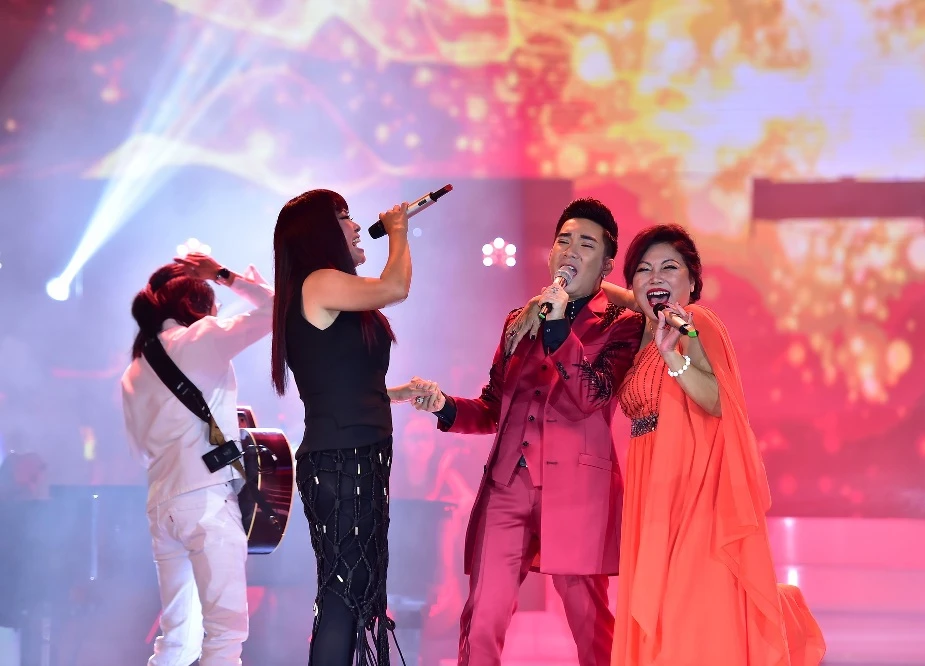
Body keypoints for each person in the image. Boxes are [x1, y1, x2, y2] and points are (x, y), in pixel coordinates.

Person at [410, 198, 645, 666]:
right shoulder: (520, 321)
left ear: (606, 265)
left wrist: (558, 327)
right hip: (508, 487)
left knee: (590, 626)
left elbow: (593, 395)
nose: (570, 250)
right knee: (482, 618)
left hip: (578, 493)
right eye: (564, 240)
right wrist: (444, 407)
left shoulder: (622, 325)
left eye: (586, 243)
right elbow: (493, 408)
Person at [606, 224, 825, 665]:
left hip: (695, 490)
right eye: (644, 270)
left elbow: (719, 400)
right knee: (661, 610)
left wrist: (673, 356)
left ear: (692, 281)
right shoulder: (635, 331)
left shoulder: (693, 324)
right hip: (650, 490)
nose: (656, 277)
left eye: (670, 268)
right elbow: (606, 291)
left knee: (688, 611)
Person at [270, 190, 436, 666]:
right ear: (319, 233)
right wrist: (399, 231)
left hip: (353, 456)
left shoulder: (323, 288)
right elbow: (395, 287)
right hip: (342, 460)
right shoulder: (319, 282)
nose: (358, 225)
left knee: (351, 587)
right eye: (344, 217)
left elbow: (338, 378)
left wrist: (395, 393)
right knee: (344, 590)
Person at [121, 253, 274, 666]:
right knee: (224, 635)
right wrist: (228, 276)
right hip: (206, 501)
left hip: (162, 504)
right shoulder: (201, 338)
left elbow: (139, 452)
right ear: (197, 303)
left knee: (177, 642)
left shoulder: (134, 371)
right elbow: (279, 310)